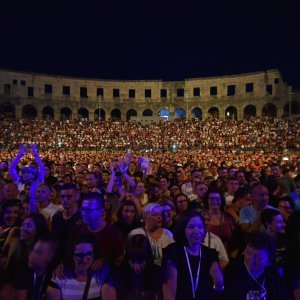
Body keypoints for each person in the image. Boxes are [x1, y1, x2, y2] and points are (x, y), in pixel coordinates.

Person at [162, 211, 224, 300]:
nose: (197, 231)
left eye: (200, 227)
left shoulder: (209, 254)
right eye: (191, 227)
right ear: (183, 229)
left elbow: (219, 286)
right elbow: (169, 294)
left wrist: (218, 283)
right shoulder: (173, 252)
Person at [46, 234, 117, 300]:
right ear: (72, 255)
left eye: (89, 254)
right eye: (80, 255)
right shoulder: (60, 277)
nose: (84, 260)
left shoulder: (101, 275)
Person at [223, 233, 290, 299]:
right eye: (248, 253)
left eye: (258, 257)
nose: (252, 260)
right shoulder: (232, 271)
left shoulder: (273, 275)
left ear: (269, 261)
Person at [118, 234, 162, 300]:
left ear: (148, 259)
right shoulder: (122, 276)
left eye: (140, 262)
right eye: (132, 262)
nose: (137, 267)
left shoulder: (156, 276)